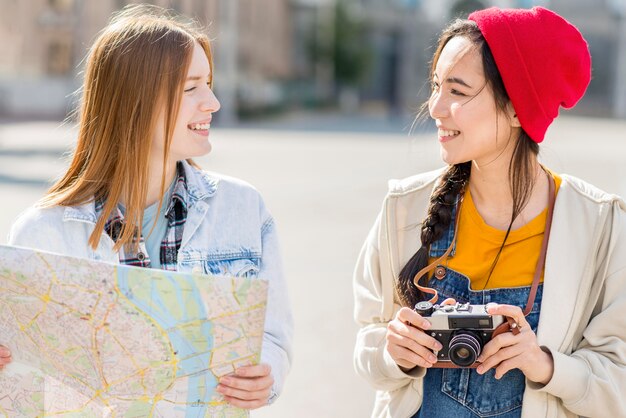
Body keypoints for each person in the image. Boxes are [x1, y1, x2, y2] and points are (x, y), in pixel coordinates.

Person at [3, 4, 292, 410]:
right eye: (191, 88)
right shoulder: (41, 233)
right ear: (133, 100)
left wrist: (267, 373)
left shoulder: (243, 208)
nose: (212, 103)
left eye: (209, 83)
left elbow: (273, 337)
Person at [353, 6, 625, 418]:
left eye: (457, 91)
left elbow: (618, 381)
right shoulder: (403, 208)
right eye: (436, 86)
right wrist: (395, 353)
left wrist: (546, 365)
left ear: (518, 108)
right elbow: (368, 344)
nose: (435, 107)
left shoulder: (600, 225)